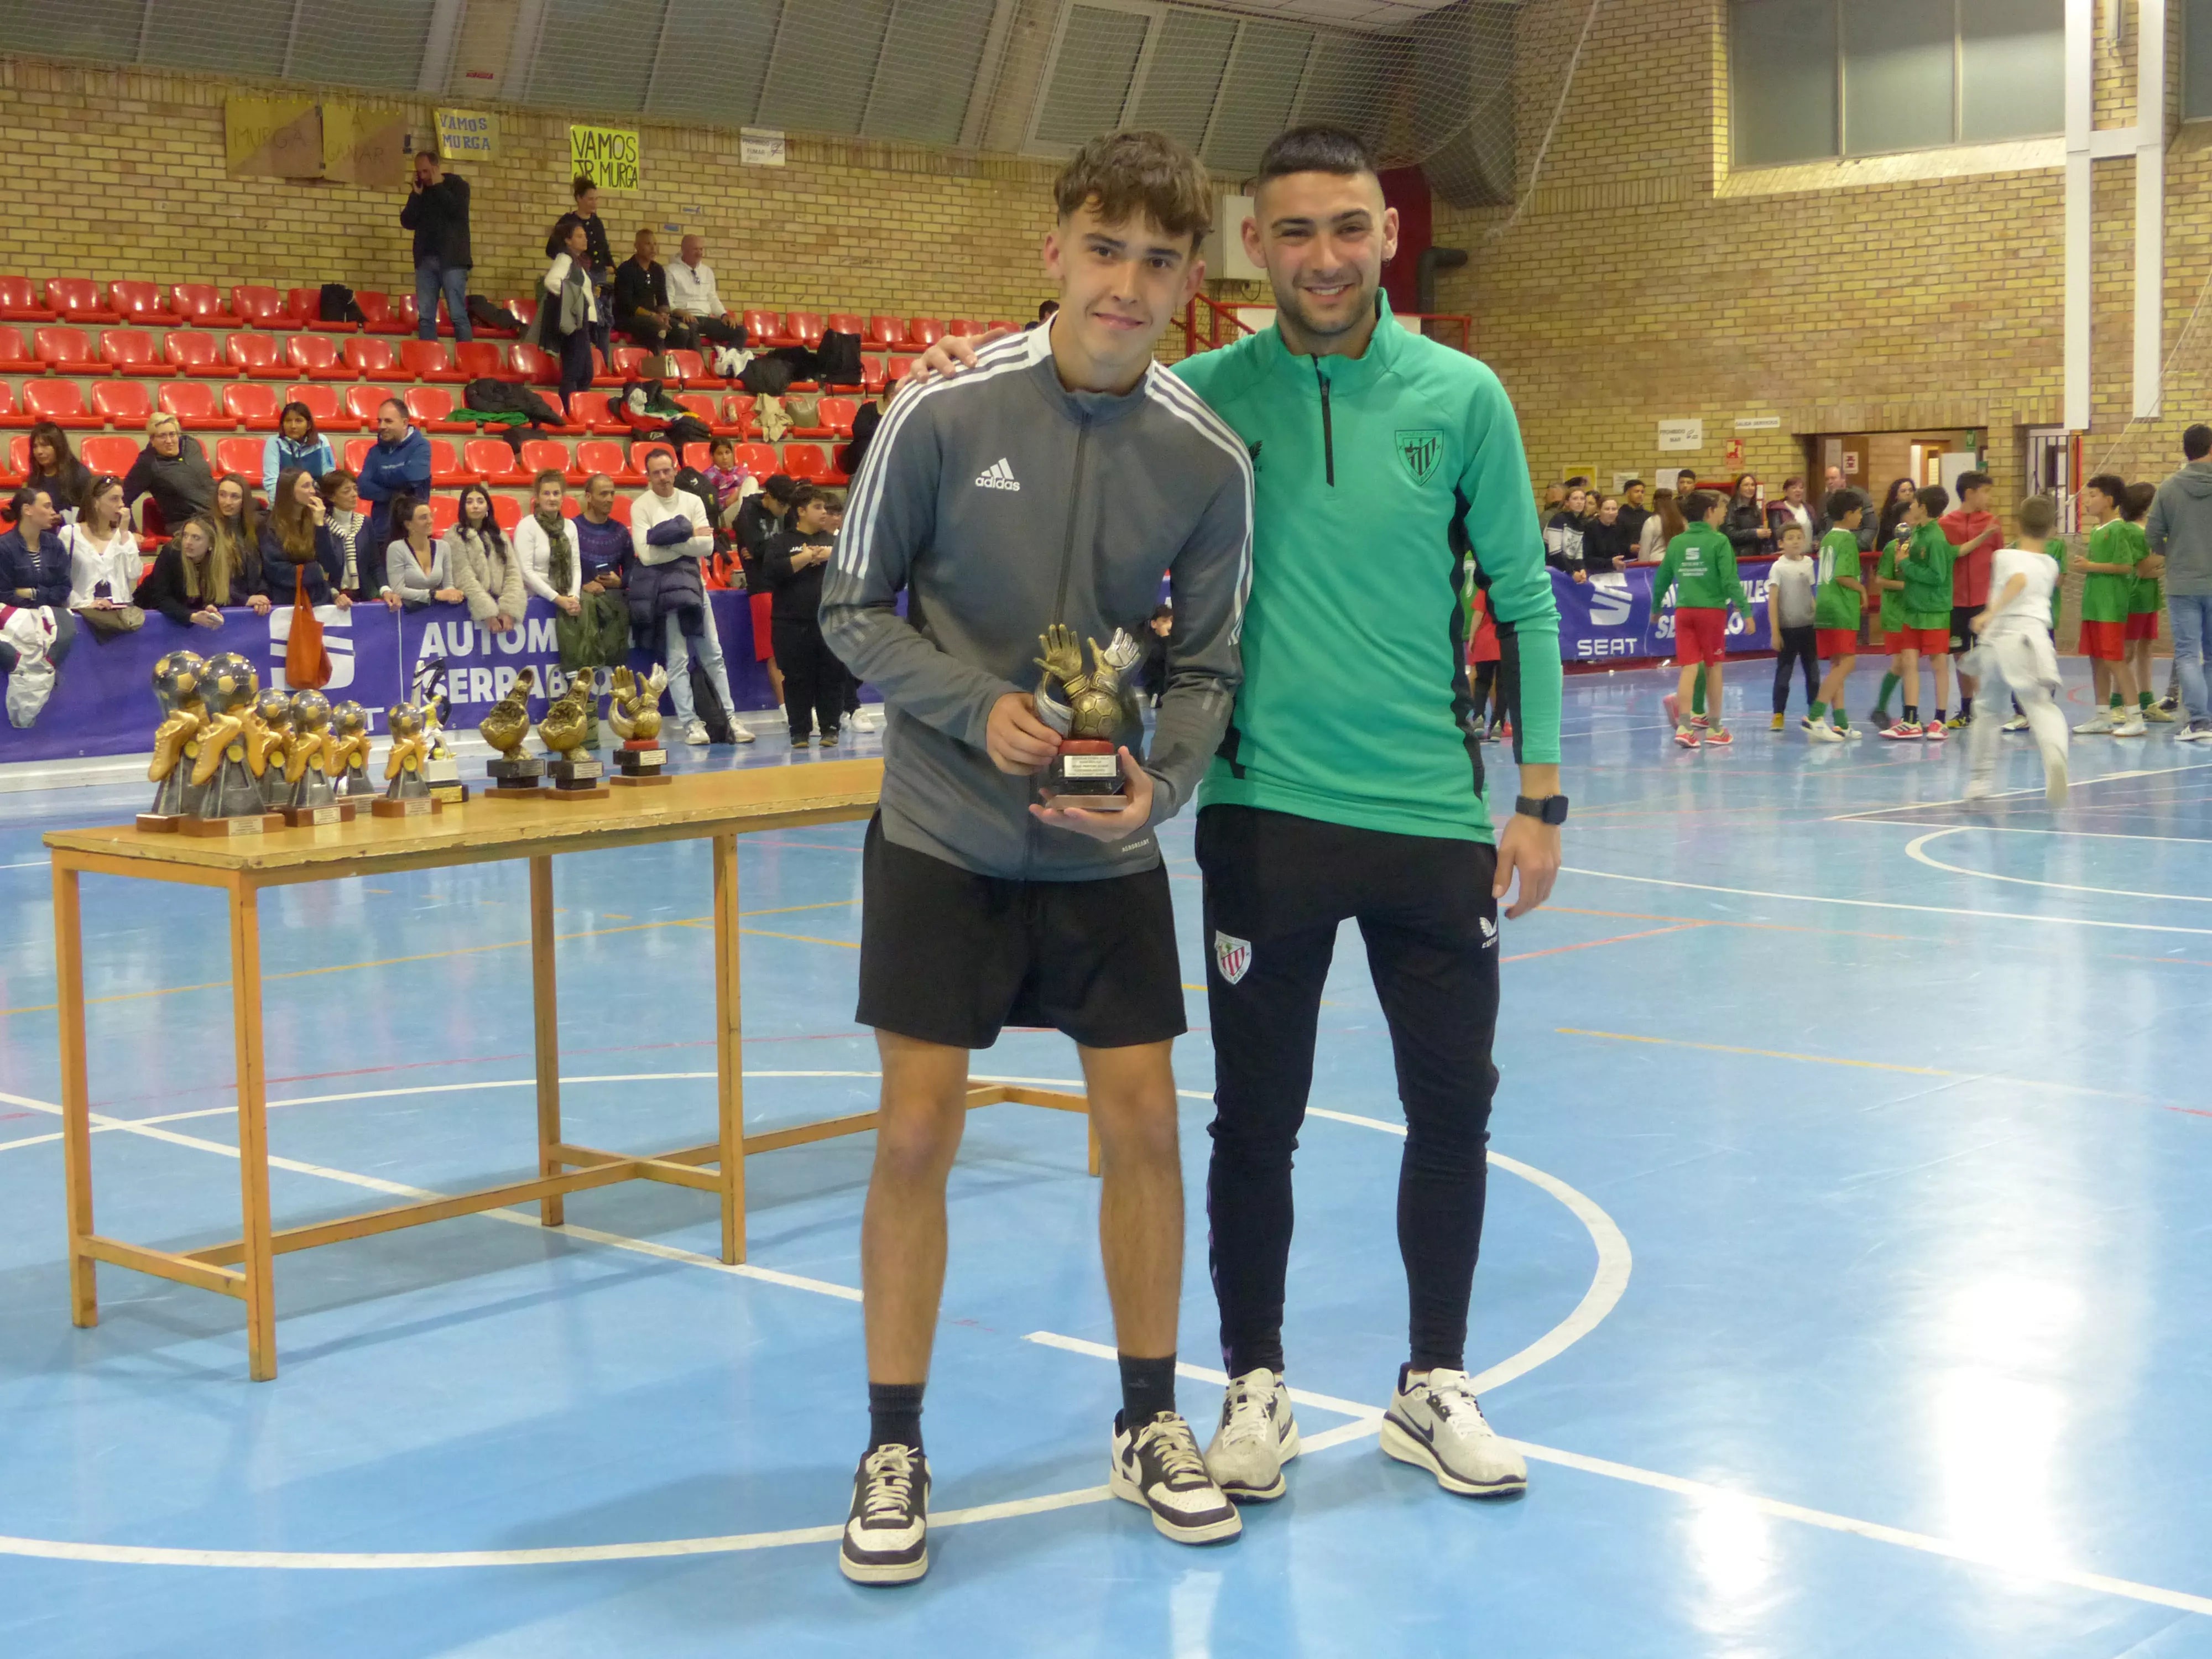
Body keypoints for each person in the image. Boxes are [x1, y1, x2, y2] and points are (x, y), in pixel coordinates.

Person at [911, 125, 1564, 1522]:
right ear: (1253, 249)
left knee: (1452, 1105)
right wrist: (952, 362)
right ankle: (1250, 1384)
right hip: (1263, 816)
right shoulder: (1198, 397)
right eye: (1293, 233)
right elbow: (1070, 366)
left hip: (1432, 818)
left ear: (1385, 236)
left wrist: (1542, 795)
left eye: (1347, 227)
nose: (1322, 255)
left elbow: (1523, 596)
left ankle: (1431, 1379)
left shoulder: (1465, 395)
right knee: (1251, 1121)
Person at [822, 123, 1251, 1585]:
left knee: (1141, 1128)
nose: (1127, 283)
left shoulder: (1208, 458)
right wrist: (975, 706)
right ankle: (894, 1442)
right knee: (914, 1137)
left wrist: (1164, 784)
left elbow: (1207, 667)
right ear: (1053, 251)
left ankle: (1148, 1422)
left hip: (1102, 856)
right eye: (1106, 249)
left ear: (1190, 280)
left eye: (1160, 259)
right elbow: (848, 610)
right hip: (944, 832)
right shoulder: (940, 415)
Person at [629, 447, 754, 745]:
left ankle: (730, 719)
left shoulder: (693, 500)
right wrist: (688, 535)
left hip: (695, 587)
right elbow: (646, 556)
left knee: (714, 654)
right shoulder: (641, 506)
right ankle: (690, 724)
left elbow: (707, 547)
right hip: (664, 591)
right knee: (678, 659)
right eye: (656, 472)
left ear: (674, 470)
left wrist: (668, 540)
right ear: (648, 476)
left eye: (667, 470)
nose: (663, 477)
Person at [1964, 495, 2072, 805]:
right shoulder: (2051, 565)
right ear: (2052, 530)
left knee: (1987, 711)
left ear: (2018, 523)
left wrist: (1989, 612)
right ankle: (2054, 756)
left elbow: (2019, 580)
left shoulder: (2003, 557)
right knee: (2040, 706)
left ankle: (1980, 781)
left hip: (2002, 639)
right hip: (2036, 639)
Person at [1656, 489, 1750, 748]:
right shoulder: (1719, 541)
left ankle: (1685, 727)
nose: (1724, 512)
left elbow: (1662, 579)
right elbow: (1731, 580)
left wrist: (1655, 608)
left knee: (1688, 667)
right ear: (1710, 512)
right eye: (1721, 508)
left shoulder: (1676, 542)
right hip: (1711, 612)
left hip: (1684, 612)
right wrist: (1746, 609)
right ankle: (1716, 728)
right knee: (1713, 668)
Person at [761, 484, 844, 745]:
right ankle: (799, 731)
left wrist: (829, 554)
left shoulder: (834, 542)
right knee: (797, 677)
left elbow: (852, 563)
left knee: (831, 674)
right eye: (817, 507)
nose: (824, 513)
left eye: (825, 508)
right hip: (791, 621)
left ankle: (831, 728)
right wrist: (806, 557)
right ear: (801, 511)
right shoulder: (782, 541)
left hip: (829, 620)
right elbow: (772, 572)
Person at [2145, 422, 2212, 741]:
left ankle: (2199, 722)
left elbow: (2153, 536)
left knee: (2187, 654)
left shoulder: (2168, 489)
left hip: (2183, 584)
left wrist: (2173, 553)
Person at [2070, 473, 2147, 736]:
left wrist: (2090, 566)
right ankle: (2102, 716)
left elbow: (2125, 566)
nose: (2087, 501)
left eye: (2093, 495)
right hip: (2094, 607)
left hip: (2111, 608)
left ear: (2109, 500)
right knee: (2097, 661)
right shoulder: (2098, 531)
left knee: (2116, 661)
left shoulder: (2119, 529)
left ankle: (2135, 716)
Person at [1883, 484, 1955, 740]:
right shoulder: (1916, 535)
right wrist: (1903, 562)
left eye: (1914, 503)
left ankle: (1940, 720)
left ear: (1923, 508)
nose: (1910, 506)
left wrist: (1907, 566)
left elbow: (1938, 576)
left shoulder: (1936, 538)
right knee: (1909, 661)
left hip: (1934, 610)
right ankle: (1911, 719)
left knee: (1938, 664)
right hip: (1912, 608)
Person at [1937, 469, 2001, 728]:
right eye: (1985, 492)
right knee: (1961, 658)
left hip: (1983, 603)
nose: (1989, 497)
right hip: (1955, 603)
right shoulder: (1945, 524)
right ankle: (1967, 710)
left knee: (1985, 658)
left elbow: (2000, 561)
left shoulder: (1992, 523)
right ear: (1970, 493)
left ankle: (1987, 707)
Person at [1807, 488, 1867, 741]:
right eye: (1860, 512)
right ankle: (1815, 716)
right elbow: (1843, 576)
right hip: (1841, 608)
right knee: (1848, 663)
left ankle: (1841, 723)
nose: (1862, 517)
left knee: (1836, 665)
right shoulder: (1848, 540)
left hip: (1825, 605)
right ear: (1849, 514)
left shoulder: (1828, 538)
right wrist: (1862, 588)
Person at [0, 485, 79, 667]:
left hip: (52, 619)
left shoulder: (55, 544)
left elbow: (64, 588)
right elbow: (4, 594)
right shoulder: (4, 547)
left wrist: (32, 594)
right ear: (27, 510)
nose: (53, 512)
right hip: (15, 624)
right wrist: (44, 598)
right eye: (47, 506)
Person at [400, 147, 472, 343]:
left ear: (436, 167)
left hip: (452, 260)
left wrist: (439, 187)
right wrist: (415, 196)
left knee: (458, 314)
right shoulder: (421, 191)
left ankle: (466, 360)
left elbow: (457, 212)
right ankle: (428, 362)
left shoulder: (457, 186)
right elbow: (407, 221)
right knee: (425, 316)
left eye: (426, 171)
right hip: (426, 260)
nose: (422, 176)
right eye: (419, 172)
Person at [735, 472, 795, 707]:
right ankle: (785, 707)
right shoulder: (747, 513)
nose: (785, 511)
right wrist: (781, 548)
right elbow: (756, 547)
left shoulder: (786, 509)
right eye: (781, 505)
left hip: (787, 582)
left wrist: (766, 550)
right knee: (774, 652)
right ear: (768, 497)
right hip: (761, 585)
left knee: (793, 649)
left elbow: (795, 541)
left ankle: (799, 705)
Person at [535, 218, 603, 418]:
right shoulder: (565, 259)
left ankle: (577, 409)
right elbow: (551, 282)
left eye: (585, 236)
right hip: (576, 323)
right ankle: (569, 411)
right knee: (575, 372)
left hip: (584, 322)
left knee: (585, 373)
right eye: (579, 236)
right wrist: (573, 302)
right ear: (568, 240)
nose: (585, 240)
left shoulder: (578, 262)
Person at [258, 468, 346, 609]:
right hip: (286, 603)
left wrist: (320, 526)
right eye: (306, 486)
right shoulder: (269, 526)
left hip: (320, 600)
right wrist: (317, 571)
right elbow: (276, 571)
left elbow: (332, 567)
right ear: (289, 491)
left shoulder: (317, 521)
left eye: (312, 485)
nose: (312, 491)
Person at [2121, 481, 2172, 724]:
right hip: (2135, 596)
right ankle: (2116, 701)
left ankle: (2147, 701)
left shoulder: (2149, 528)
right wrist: (2167, 560)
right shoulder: (2131, 530)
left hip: (2149, 596)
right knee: (2128, 651)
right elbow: (2141, 569)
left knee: (2146, 649)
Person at [356, 398, 432, 552]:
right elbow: (363, 487)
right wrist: (397, 495)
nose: (382, 426)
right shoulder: (375, 452)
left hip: (413, 533)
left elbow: (413, 476)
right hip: (381, 533)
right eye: (380, 421)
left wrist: (379, 475)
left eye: (389, 421)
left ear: (405, 423)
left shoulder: (421, 447)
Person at [445, 483, 521, 634]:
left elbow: (513, 573)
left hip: (500, 604)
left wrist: (508, 609)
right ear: (463, 508)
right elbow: (464, 578)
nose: (475, 506)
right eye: (470, 502)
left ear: (488, 508)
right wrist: (488, 613)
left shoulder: (500, 536)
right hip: (469, 608)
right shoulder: (453, 537)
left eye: (480, 501)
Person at [132, 513, 231, 629]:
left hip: (182, 617)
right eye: (185, 536)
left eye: (196, 538)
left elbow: (218, 595)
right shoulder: (171, 553)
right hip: (149, 616)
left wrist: (210, 607)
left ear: (211, 543)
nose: (188, 542)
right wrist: (191, 616)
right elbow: (160, 598)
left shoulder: (218, 562)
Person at [122, 413, 215, 535]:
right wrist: (130, 532)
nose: (169, 441)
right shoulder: (148, 463)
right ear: (152, 440)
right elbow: (123, 498)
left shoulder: (192, 445)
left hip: (216, 517)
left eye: (172, 434)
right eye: (162, 436)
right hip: (185, 524)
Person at [1764, 521, 1817, 731]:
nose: (1795, 541)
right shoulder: (1778, 567)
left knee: (1813, 674)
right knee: (1784, 675)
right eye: (1790, 538)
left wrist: (1818, 619)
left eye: (1799, 537)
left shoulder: (1808, 564)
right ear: (1781, 543)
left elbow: (1811, 596)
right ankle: (1778, 714)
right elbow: (1773, 600)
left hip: (1808, 627)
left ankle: (1815, 713)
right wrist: (1775, 632)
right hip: (1787, 629)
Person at [1867, 512, 1912, 729]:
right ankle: (1884, 709)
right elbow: (1881, 580)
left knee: (1908, 664)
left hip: (1914, 612)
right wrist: (1909, 587)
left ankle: (1906, 714)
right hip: (1896, 613)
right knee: (1901, 663)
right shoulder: (1891, 548)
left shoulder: (1922, 545)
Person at [383, 494, 463, 608]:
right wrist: (433, 594)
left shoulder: (443, 547)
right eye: (423, 518)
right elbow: (398, 590)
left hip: (435, 614)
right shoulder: (396, 548)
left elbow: (448, 585)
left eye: (430, 516)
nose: (430, 521)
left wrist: (453, 595)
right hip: (407, 613)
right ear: (409, 525)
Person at [665, 235, 745, 348]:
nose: (699, 253)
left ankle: (727, 362)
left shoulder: (707, 271)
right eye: (695, 249)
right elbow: (668, 301)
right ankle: (699, 365)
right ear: (683, 250)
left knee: (741, 332)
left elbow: (713, 298)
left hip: (705, 318)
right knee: (692, 330)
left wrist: (724, 315)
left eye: (701, 249)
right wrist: (681, 313)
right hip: (684, 317)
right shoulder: (671, 271)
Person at [320, 468, 385, 607]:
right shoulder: (321, 526)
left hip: (362, 597)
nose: (354, 495)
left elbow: (375, 564)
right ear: (332, 497)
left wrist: (386, 590)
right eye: (346, 491)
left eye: (355, 489)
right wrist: (334, 594)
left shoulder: (365, 523)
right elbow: (319, 568)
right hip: (330, 599)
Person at [210, 474, 272, 617]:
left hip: (253, 604)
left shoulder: (257, 527)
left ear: (245, 500)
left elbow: (264, 569)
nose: (227, 502)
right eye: (222, 495)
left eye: (235, 497)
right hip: (221, 607)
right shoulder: (208, 529)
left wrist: (263, 595)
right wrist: (245, 599)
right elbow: (209, 578)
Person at [612, 228, 682, 353]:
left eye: (655, 244)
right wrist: (653, 316)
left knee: (682, 330)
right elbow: (627, 304)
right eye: (648, 244)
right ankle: (657, 365)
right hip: (629, 317)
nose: (653, 249)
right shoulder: (626, 269)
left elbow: (663, 299)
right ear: (637, 246)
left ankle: (675, 365)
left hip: (653, 316)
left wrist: (665, 315)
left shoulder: (658, 270)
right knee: (658, 328)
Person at [570, 472, 632, 598]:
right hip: (581, 598)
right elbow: (561, 570)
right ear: (589, 497)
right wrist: (582, 585)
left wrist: (620, 582)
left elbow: (632, 570)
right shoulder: (572, 528)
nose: (610, 499)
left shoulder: (621, 532)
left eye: (612, 494)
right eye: (603, 494)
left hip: (613, 599)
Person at [262, 401, 333, 499]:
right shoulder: (274, 443)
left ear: (308, 425)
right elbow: (272, 481)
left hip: (316, 500)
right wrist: (280, 506)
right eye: (288, 421)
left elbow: (329, 476)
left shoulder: (322, 441)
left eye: (299, 421)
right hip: (285, 503)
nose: (293, 426)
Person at [25, 423, 91, 521]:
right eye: (35, 447)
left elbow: (91, 511)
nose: (39, 451)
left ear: (58, 447)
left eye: (45, 445)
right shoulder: (35, 477)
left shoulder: (79, 474)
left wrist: (64, 519)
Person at [1722, 473, 1771, 564]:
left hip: (1755, 558)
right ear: (1738, 488)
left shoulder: (1756, 509)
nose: (1750, 488)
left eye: (1753, 485)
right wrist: (1754, 533)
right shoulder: (1730, 508)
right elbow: (1729, 534)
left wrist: (1765, 534)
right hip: (1737, 558)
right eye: (1746, 485)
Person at [1543, 484, 1588, 580]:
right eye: (1575, 499)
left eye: (1582, 499)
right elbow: (1555, 552)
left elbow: (1578, 553)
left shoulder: (1581, 523)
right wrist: (1572, 572)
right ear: (1567, 503)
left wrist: (1581, 569)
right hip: (1552, 571)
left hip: (1567, 571)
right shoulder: (1557, 520)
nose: (1579, 502)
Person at [1581, 494, 1631, 573]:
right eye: (1607, 509)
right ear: (1599, 511)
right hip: (1594, 573)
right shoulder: (1589, 528)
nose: (1611, 513)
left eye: (1614, 509)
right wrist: (1610, 562)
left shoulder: (1618, 529)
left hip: (1612, 573)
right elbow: (1587, 559)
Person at [1766, 474, 1819, 547]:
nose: (1798, 490)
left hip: (1809, 554)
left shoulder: (1809, 509)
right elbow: (1776, 535)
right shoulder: (1778, 510)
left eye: (1801, 488)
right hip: (1788, 554)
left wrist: (1817, 541)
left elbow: (1816, 531)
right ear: (1785, 492)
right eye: (1794, 488)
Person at [1636, 487, 1683, 565]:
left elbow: (1645, 550)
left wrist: (1642, 567)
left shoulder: (1651, 522)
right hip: (1677, 562)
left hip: (1657, 564)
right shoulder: (1681, 521)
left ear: (1655, 502)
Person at [1614, 478, 1650, 549]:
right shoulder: (1619, 516)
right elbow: (1615, 540)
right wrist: (1629, 547)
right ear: (1628, 494)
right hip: (1626, 557)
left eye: (1642, 492)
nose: (1640, 494)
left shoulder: (1648, 516)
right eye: (1637, 492)